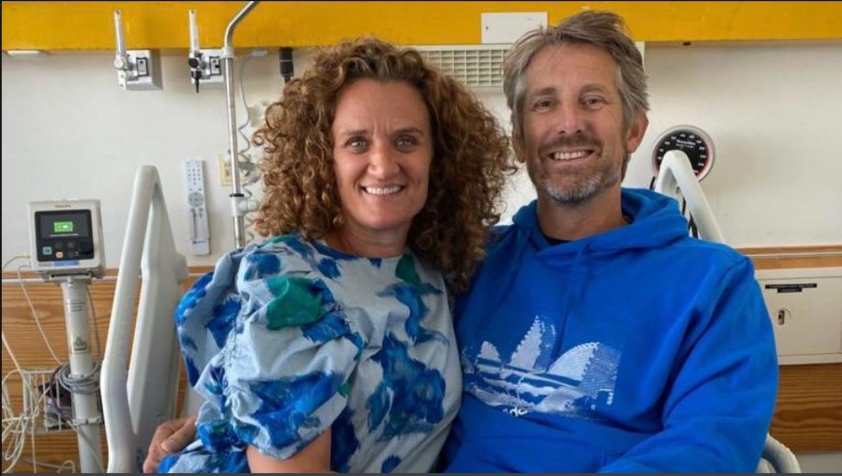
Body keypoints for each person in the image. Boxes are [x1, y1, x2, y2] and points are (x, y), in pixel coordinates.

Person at [148, 36, 513, 473]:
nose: (384, 164)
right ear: (323, 160)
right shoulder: (289, 284)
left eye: (406, 140)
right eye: (357, 142)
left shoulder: (435, 271)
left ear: (439, 156)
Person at [438, 10, 779, 473]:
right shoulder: (471, 264)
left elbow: (710, 445)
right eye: (544, 104)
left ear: (633, 129)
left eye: (593, 100)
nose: (569, 123)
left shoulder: (712, 285)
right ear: (519, 138)